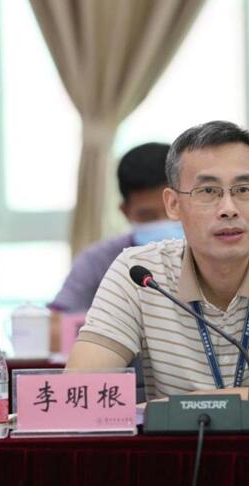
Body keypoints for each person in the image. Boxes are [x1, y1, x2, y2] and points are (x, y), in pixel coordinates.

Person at [67, 121, 249, 416]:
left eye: (243, 190)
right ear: (173, 204)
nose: (228, 208)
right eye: (208, 191)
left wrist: (189, 405)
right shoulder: (139, 272)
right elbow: (78, 392)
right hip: (179, 446)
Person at [48, 142, 182, 351]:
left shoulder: (214, 253)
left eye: (172, 210)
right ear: (125, 211)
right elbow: (53, 331)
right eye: (147, 215)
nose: (163, 222)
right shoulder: (97, 260)